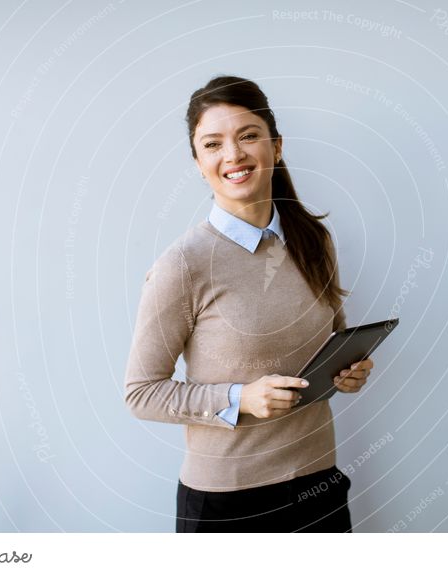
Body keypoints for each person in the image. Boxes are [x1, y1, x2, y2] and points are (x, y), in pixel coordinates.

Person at [124, 74, 375, 532]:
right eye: (213, 144)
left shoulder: (313, 241)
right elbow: (141, 394)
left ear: (276, 147)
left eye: (248, 136)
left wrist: (346, 372)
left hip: (319, 485)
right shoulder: (183, 264)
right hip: (229, 505)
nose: (233, 155)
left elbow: (325, 348)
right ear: (199, 164)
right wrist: (241, 399)